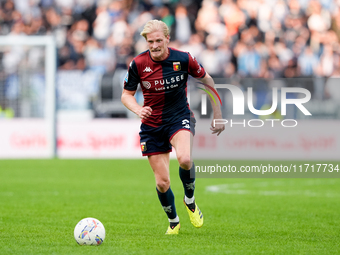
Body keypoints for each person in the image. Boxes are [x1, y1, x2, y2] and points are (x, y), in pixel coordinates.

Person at [121, 19, 224, 235]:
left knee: (185, 159)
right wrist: (138, 110)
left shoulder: (183, 58)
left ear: (167, 38)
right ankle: (174, 221)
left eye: (159, 40)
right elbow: (126, 95)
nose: (155, 45)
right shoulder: (138, 64)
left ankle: (190, 200)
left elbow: (208, 81)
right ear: (146, 41)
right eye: (151, 41)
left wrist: (218, 114)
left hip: (179, 117)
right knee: (162, 182)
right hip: (151, 125)